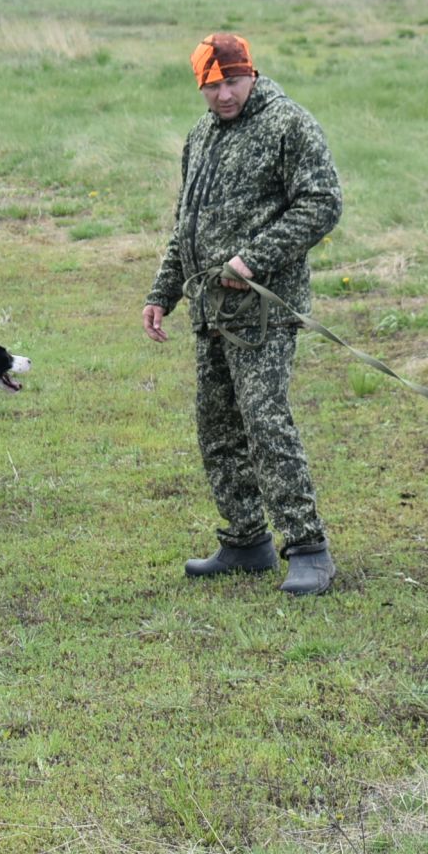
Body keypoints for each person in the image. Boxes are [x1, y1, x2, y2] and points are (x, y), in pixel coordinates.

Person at [143, 33, 343, 595]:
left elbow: (323, 203)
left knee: (265, 423)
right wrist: (163, 293)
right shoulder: (201, 133)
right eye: (212, 85)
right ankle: (246, 541)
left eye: (232, 81)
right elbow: (186, 225)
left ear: (251, 73)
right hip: (210, 309)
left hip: (263, 314)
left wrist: (254, 259)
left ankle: (308, 549)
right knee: (217, 426)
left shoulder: (288, 124)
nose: (224, 94)